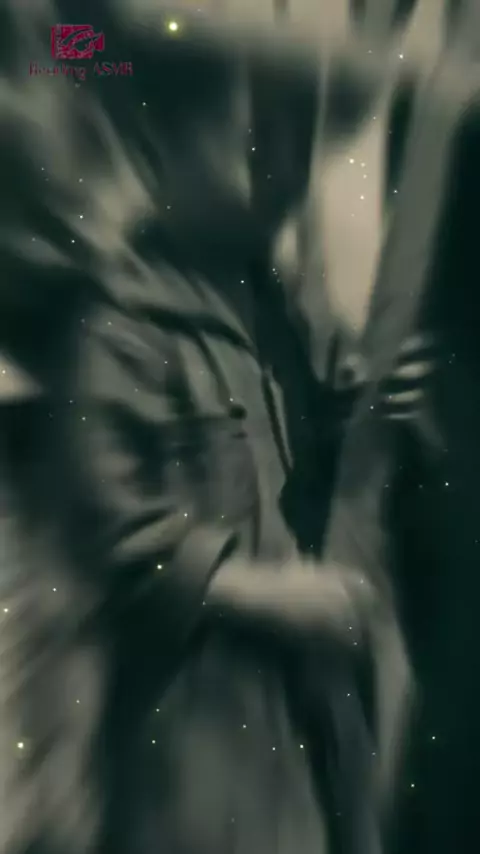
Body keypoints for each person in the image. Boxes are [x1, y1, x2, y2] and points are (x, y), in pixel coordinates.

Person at [0, 3, 422, 853]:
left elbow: (315, 469)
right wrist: (263, 594)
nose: (284, 161)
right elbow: (112, 541)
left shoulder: (291, 324)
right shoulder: (119, 329)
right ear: (159, 144)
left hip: (300, 715)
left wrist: (371, 409)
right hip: (190, 717)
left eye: (301, 131)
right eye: (255, 130)